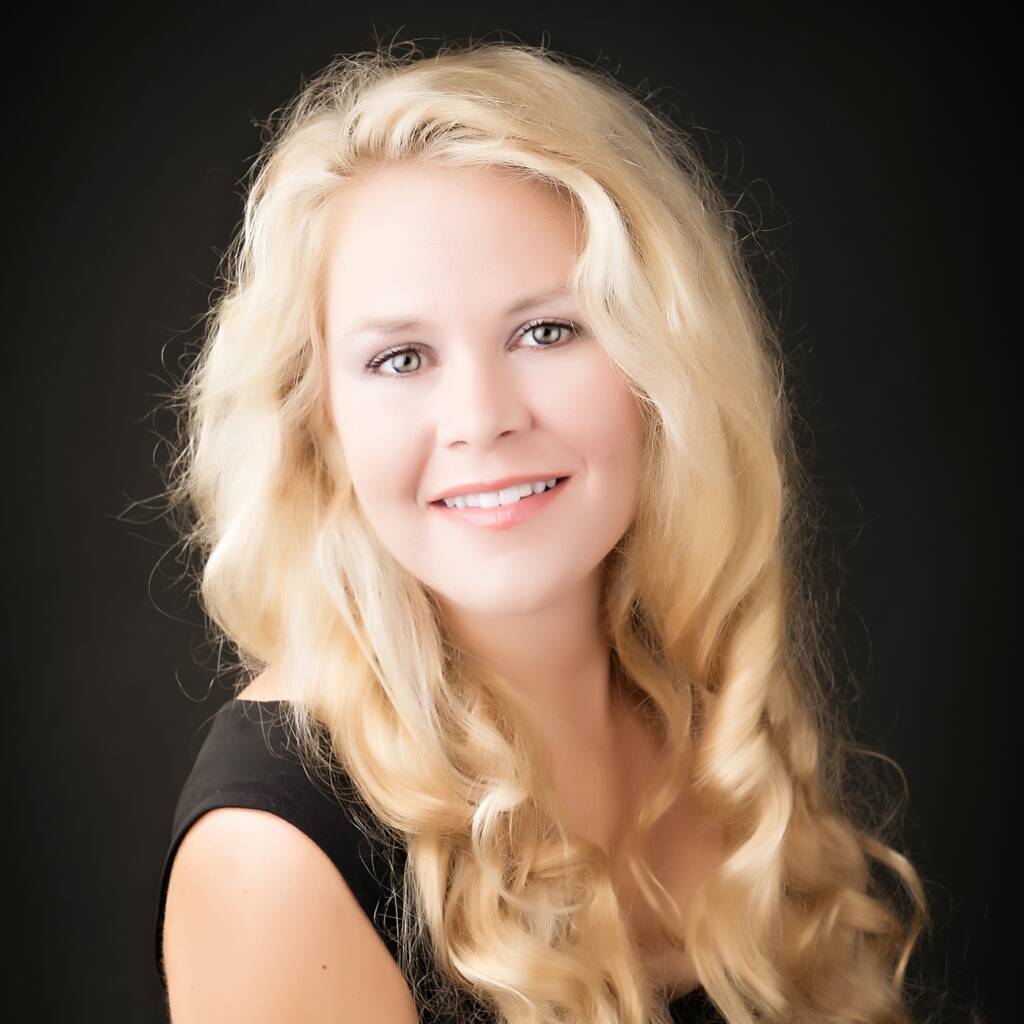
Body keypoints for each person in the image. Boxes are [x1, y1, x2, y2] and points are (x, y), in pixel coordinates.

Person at [153, 38, 930, 1024]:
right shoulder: (277, 855)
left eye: (546, 331)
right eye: (400, 358)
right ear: (318, 420)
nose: (482, 417)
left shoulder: (694, 698)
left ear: (663, 368)